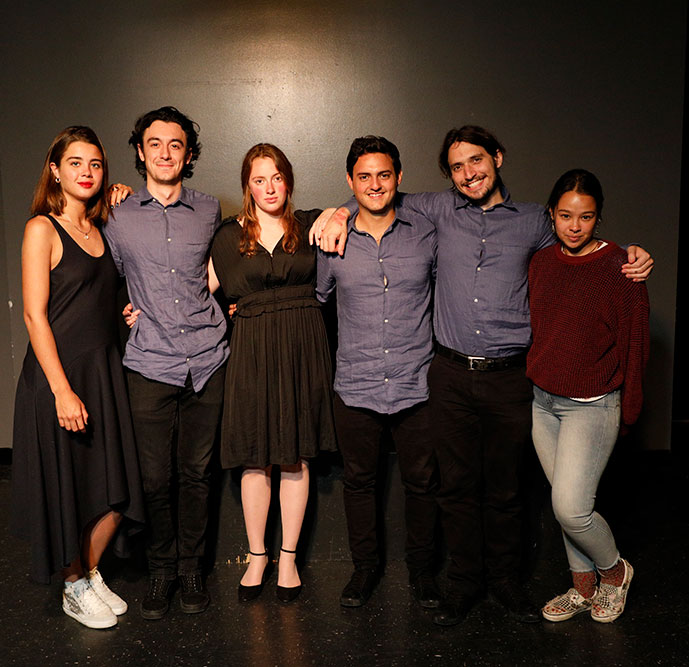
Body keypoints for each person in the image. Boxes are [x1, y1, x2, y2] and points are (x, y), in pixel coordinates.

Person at [313, 125, 653, 626]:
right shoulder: (433, 210)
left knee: (505, 489)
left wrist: (630, 255)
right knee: (453, 486)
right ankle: (463, 582)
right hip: (447, 373)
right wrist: (337, 210)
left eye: (476, 160)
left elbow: (578, 234)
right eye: (457, 166)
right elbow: (377, 192)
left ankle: (504, 582)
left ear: (498, 157)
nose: (469, 172)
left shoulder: (536, 220)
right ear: (448, 174)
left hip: (510, 378)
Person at [11, 126, 145, 630]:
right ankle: (73, 585)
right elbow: (33, 315)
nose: (86, 172)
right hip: (58, 377)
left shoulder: (103, 226)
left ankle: (86, 573)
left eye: (95, 164)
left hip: (103, 372)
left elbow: (101, 296)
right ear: (55, 170)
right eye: (75, 163)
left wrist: (125, 309)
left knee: (115, 488)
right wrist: (62, 389)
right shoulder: (41, 229)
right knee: (68, 488)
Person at [104, 107, 227, 619]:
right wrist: (122, 309)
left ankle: (191, 568)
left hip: (208, 357)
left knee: (197, 473)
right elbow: (101, 279)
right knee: (154, 478)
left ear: (189, 154)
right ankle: (160, 572)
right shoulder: (116, 215)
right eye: (154, 144)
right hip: (150, 361)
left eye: (175, 145)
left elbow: (223, 266)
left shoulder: (210, 209)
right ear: (140, 151)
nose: (164, 153)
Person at [315, 137, 441, 609]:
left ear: (399, 177)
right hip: (356, 381)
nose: (374, 184)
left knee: (423, 483)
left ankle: (423, 572)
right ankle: (365, 569)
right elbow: (318, 300)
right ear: (350, 181)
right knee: (359, 482)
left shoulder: (425, 232)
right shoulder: (333, 238)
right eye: (363, 176)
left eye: (384, 175)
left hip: (417, 381)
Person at [209, 144, 336, 604]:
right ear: (247, 184)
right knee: (254, 456)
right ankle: (257, 555)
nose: (269, 187)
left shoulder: (311, 225)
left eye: (277, 177)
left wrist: (337, 214)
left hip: (303, 346)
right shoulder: (227, 237)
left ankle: (287, 557)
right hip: (253, 350)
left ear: (289, 181)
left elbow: (352, 215)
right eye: (259, 179)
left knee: (295, 455)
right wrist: (137, 306)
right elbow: (191, 291)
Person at [527, 169, 648, 623]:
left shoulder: (621, 267)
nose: (574, 226)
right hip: (543, 402)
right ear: (552, 215)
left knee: (571, 507)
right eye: (564, 216)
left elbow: (636, 346)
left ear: (599, 218)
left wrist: (630, 409)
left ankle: (614, 573)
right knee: (564, 503)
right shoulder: (540, 262)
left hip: (592, 406)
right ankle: (582, 587)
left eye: (586, 217)